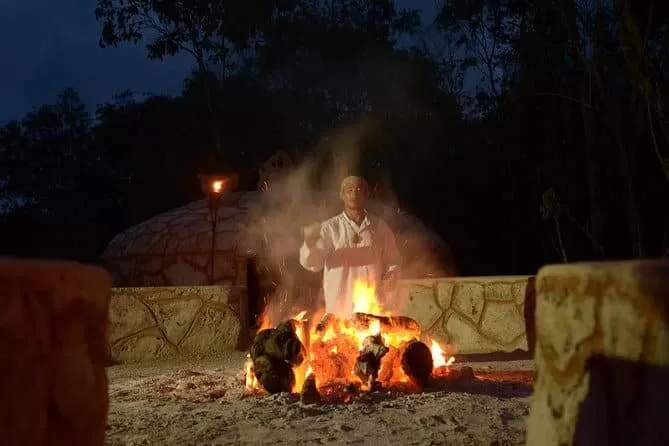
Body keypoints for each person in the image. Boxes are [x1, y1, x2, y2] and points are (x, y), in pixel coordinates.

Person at [299, 175, 402, 318]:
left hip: (371, 309)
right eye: (350, 190)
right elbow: (312, 264)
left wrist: (392, 274)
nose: (354, 194)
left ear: (366, 194)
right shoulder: (329, 228)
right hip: (339, 311)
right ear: (342, 195)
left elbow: (393, 259)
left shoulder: (379, 227)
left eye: (359, 189)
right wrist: (309, 245)